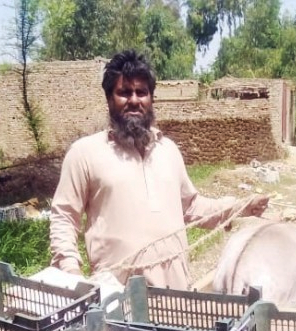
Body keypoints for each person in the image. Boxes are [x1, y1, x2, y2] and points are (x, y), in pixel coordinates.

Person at [49, 49, 269, 290]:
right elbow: (64, 218)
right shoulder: (84, 153)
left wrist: (240, 207)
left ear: (151, 99)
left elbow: (192, 207)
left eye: (141, 92)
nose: (134, 101)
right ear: (109, 99)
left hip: (175, 295)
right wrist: (71, 273)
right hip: (118, 298)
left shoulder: (168, 150)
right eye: (124, 92)